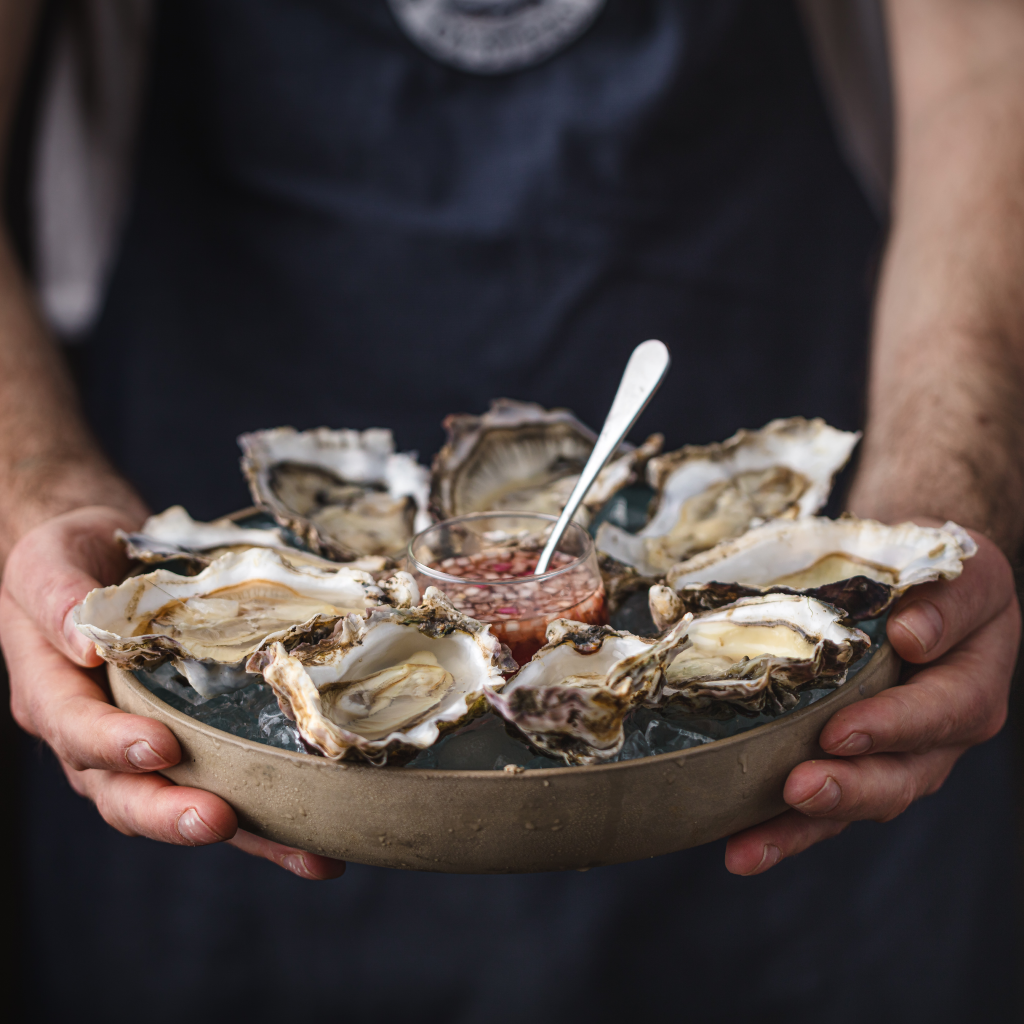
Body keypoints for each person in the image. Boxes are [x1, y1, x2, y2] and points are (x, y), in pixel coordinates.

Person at [1, 0, 1020, 1019]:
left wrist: (923, 524)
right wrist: (44, 490)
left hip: (781, 729)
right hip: (227, 632)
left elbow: (990, 73)